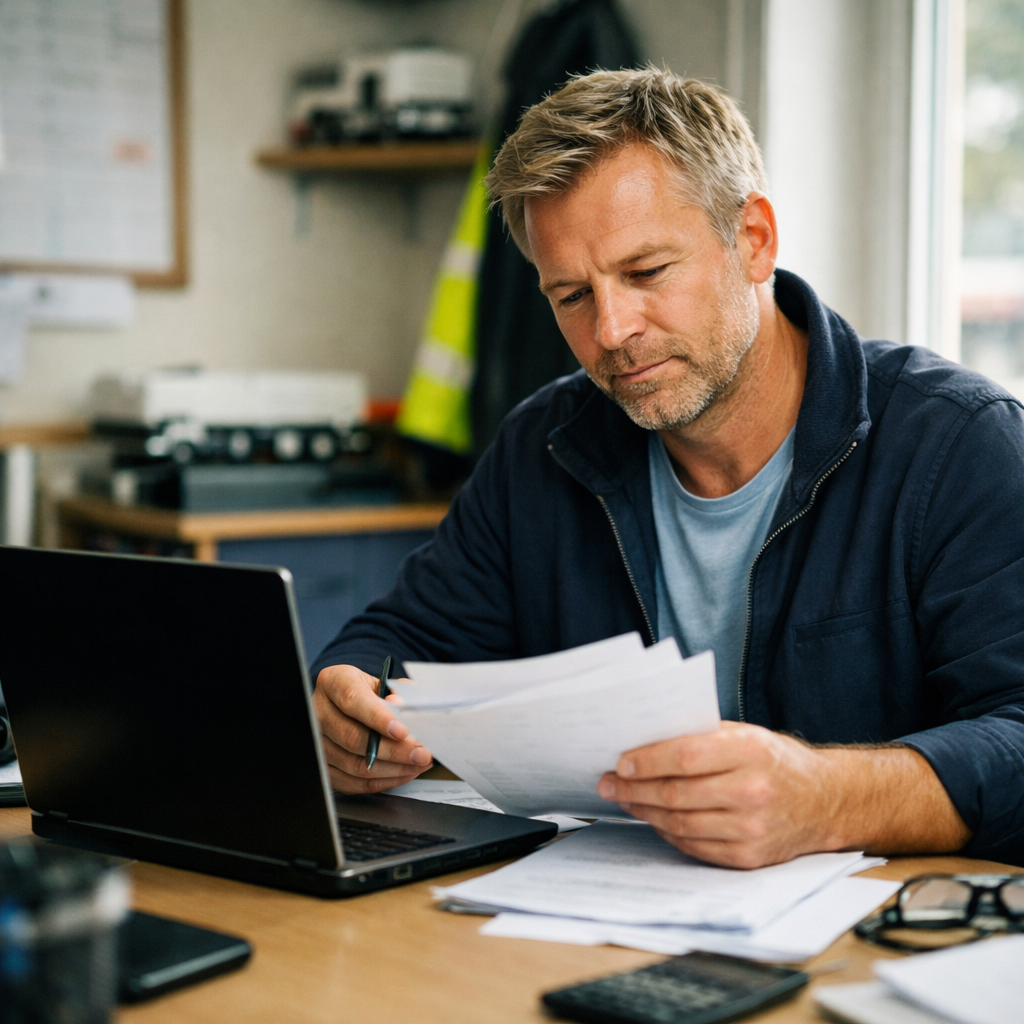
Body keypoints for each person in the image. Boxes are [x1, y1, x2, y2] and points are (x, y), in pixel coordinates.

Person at [312, 68, 1024, 869]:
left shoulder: (960, 444)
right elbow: (401, 639)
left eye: (647, 272)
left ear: (753, 239)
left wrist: (824, 797)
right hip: (594, 923)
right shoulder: (543, 443)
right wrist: (348, 698)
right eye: (572, 295)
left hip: (884, 944)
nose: (612, 331)